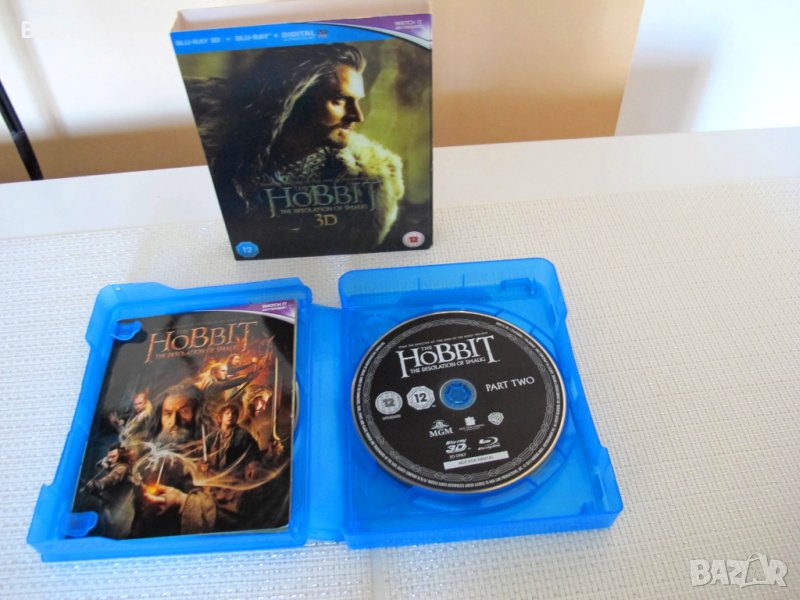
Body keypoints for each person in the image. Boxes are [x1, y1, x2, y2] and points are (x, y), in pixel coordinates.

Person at [186, 43, 404, 254]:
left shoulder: (366, 182)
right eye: (339, 100)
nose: (357, 116)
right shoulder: (213, 156)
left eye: (356, 101)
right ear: (292, 98)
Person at [84, 443, 134, 538]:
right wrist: (107, 463)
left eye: (113, 457)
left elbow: (112, 478)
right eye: (109, 457)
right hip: (109, 505)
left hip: (117, 507)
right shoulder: (114, 465)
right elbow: (98, 464)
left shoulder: (122, 468)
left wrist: (98, 485)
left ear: (121, 456)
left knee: (113, 530)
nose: (110, 459)